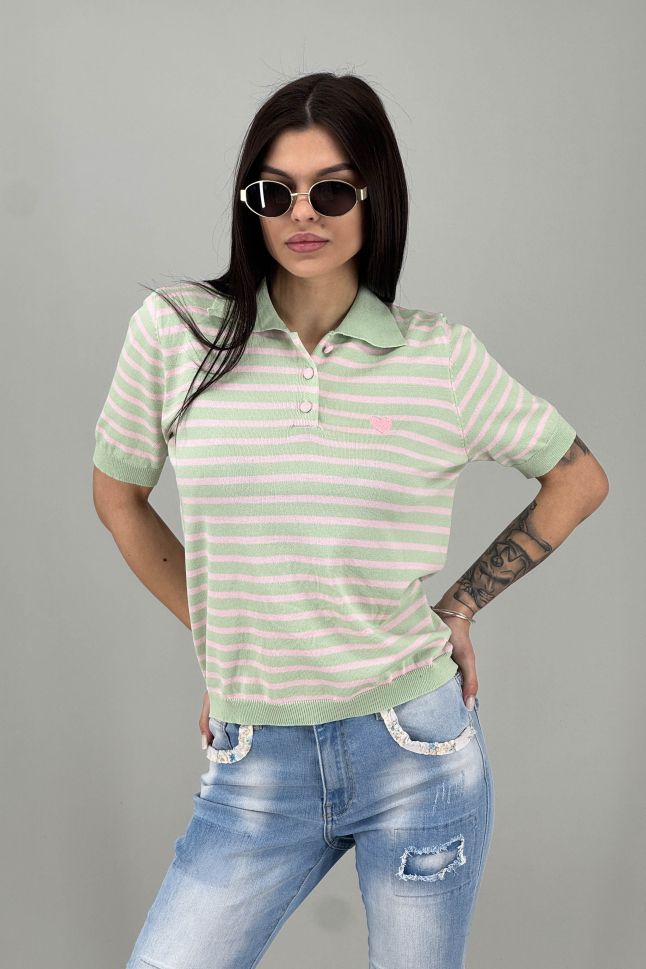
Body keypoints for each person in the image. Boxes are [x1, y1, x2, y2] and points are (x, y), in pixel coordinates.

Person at [92, 72, 609, 969]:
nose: (303, 214)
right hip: (255, 761)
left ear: (375, 198)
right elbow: (117, 497)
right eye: (275, 192)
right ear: (250, 206)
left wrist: (459, 606)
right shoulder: (177, 333)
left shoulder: (439, 356)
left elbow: (578, 478)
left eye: (331, 191)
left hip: (416, 749)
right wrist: (224, 639)